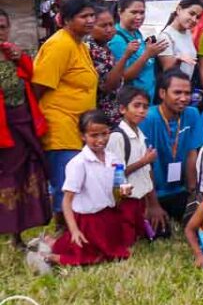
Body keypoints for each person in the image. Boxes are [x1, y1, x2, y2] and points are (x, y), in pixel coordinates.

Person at [26, 111, 138, 273]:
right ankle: (47, 256)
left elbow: (117, 186)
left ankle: (52, 242)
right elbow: (67, 201)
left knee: (116, 253)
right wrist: (74, 230)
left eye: (104, 134)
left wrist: (123, 190)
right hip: (87, 220)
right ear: (82, 136)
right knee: (89, 258)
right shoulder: (78, 164)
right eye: (94, 135)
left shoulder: (112, 158)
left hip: (107, 215)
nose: (100, 140)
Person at [32, 0, 99, 222]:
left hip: (77, 124)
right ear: (67, 20)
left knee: (74, 181)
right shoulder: (59, 44)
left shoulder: (79, 43)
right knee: (65, 183)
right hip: (60, 123)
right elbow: (38, 86)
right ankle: (63, 234)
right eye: (84, 17)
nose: (90, 20)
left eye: (92, 15)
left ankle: (71, 231)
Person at [0, 12, 50, 248]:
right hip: (3, 130)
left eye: (2, 27)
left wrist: (21, 59)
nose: (0, 32)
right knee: (6, 179)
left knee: (23, 177)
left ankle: (16, 235)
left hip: (23, 126)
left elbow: (32, 77)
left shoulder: (15, 54)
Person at [141, 71, 203, 223]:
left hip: (179, 190)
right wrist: (153, 204)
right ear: (162, 93)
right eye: (177, 92)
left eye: (187, 93)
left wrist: (192, 195)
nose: (183, 98)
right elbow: (144, 165)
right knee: (159, 231)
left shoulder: (192, 113)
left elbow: (192, 153)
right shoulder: (148, 118)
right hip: (151, 193)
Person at [106, 87, 164, 239]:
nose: (142, 111)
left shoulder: (140, 135)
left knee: (154, 235)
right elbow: (117, 174)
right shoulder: (117, 137)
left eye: (145, 107)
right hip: (125, 200)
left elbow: (146, 172)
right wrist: (144, 161)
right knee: (125, 241)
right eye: (137, 106)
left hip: (139, 199)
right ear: (123, 109)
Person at [110, 0, 168, 98]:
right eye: (134, 12)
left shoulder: (136, 33)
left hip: (148, 98)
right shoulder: (117, 40)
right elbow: (124, 76)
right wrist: (147, 55)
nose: (139, 17)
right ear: (120, 12)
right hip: (132, 102)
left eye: (142, 13)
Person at [87, 5, 135, 126]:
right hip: (103, 118)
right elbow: (108, 85)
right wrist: (125, 56)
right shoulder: (92, 49)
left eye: (111, 24)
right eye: (103, 26)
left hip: (114, 113)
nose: (109, 29)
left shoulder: (104, 46)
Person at [159, 0, 203, 80]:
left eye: (198, 17)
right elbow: (167, 71)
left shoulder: (187, 33)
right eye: (191, 14)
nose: (194, 19)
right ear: (178, 10)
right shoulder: (165, 37)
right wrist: (178, 59)